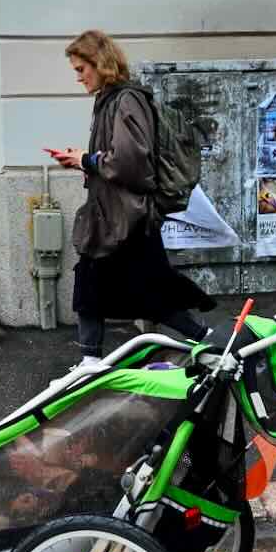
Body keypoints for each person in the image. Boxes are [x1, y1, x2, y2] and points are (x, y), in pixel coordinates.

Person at [46, 29, 215, 371]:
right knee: (101, 286)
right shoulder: (111, 101)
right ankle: (91, 357)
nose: (79, 78)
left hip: (128, 219)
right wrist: (83, 160)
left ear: (101, 63)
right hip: (116, 217)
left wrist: (86, 160)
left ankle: (210, 342)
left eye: (82, 69)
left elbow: (131, 164)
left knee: (151, 294)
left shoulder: (126, 101)